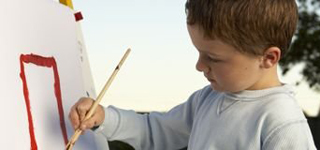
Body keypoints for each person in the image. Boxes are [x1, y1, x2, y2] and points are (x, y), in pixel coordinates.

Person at [69, 0, 317, 149]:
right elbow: (153, 131)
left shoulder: (282, 123)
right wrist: (103, 117)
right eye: (200, 52)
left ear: (268, 58)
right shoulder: (206, 100)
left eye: (213, 58)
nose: (199, 66)